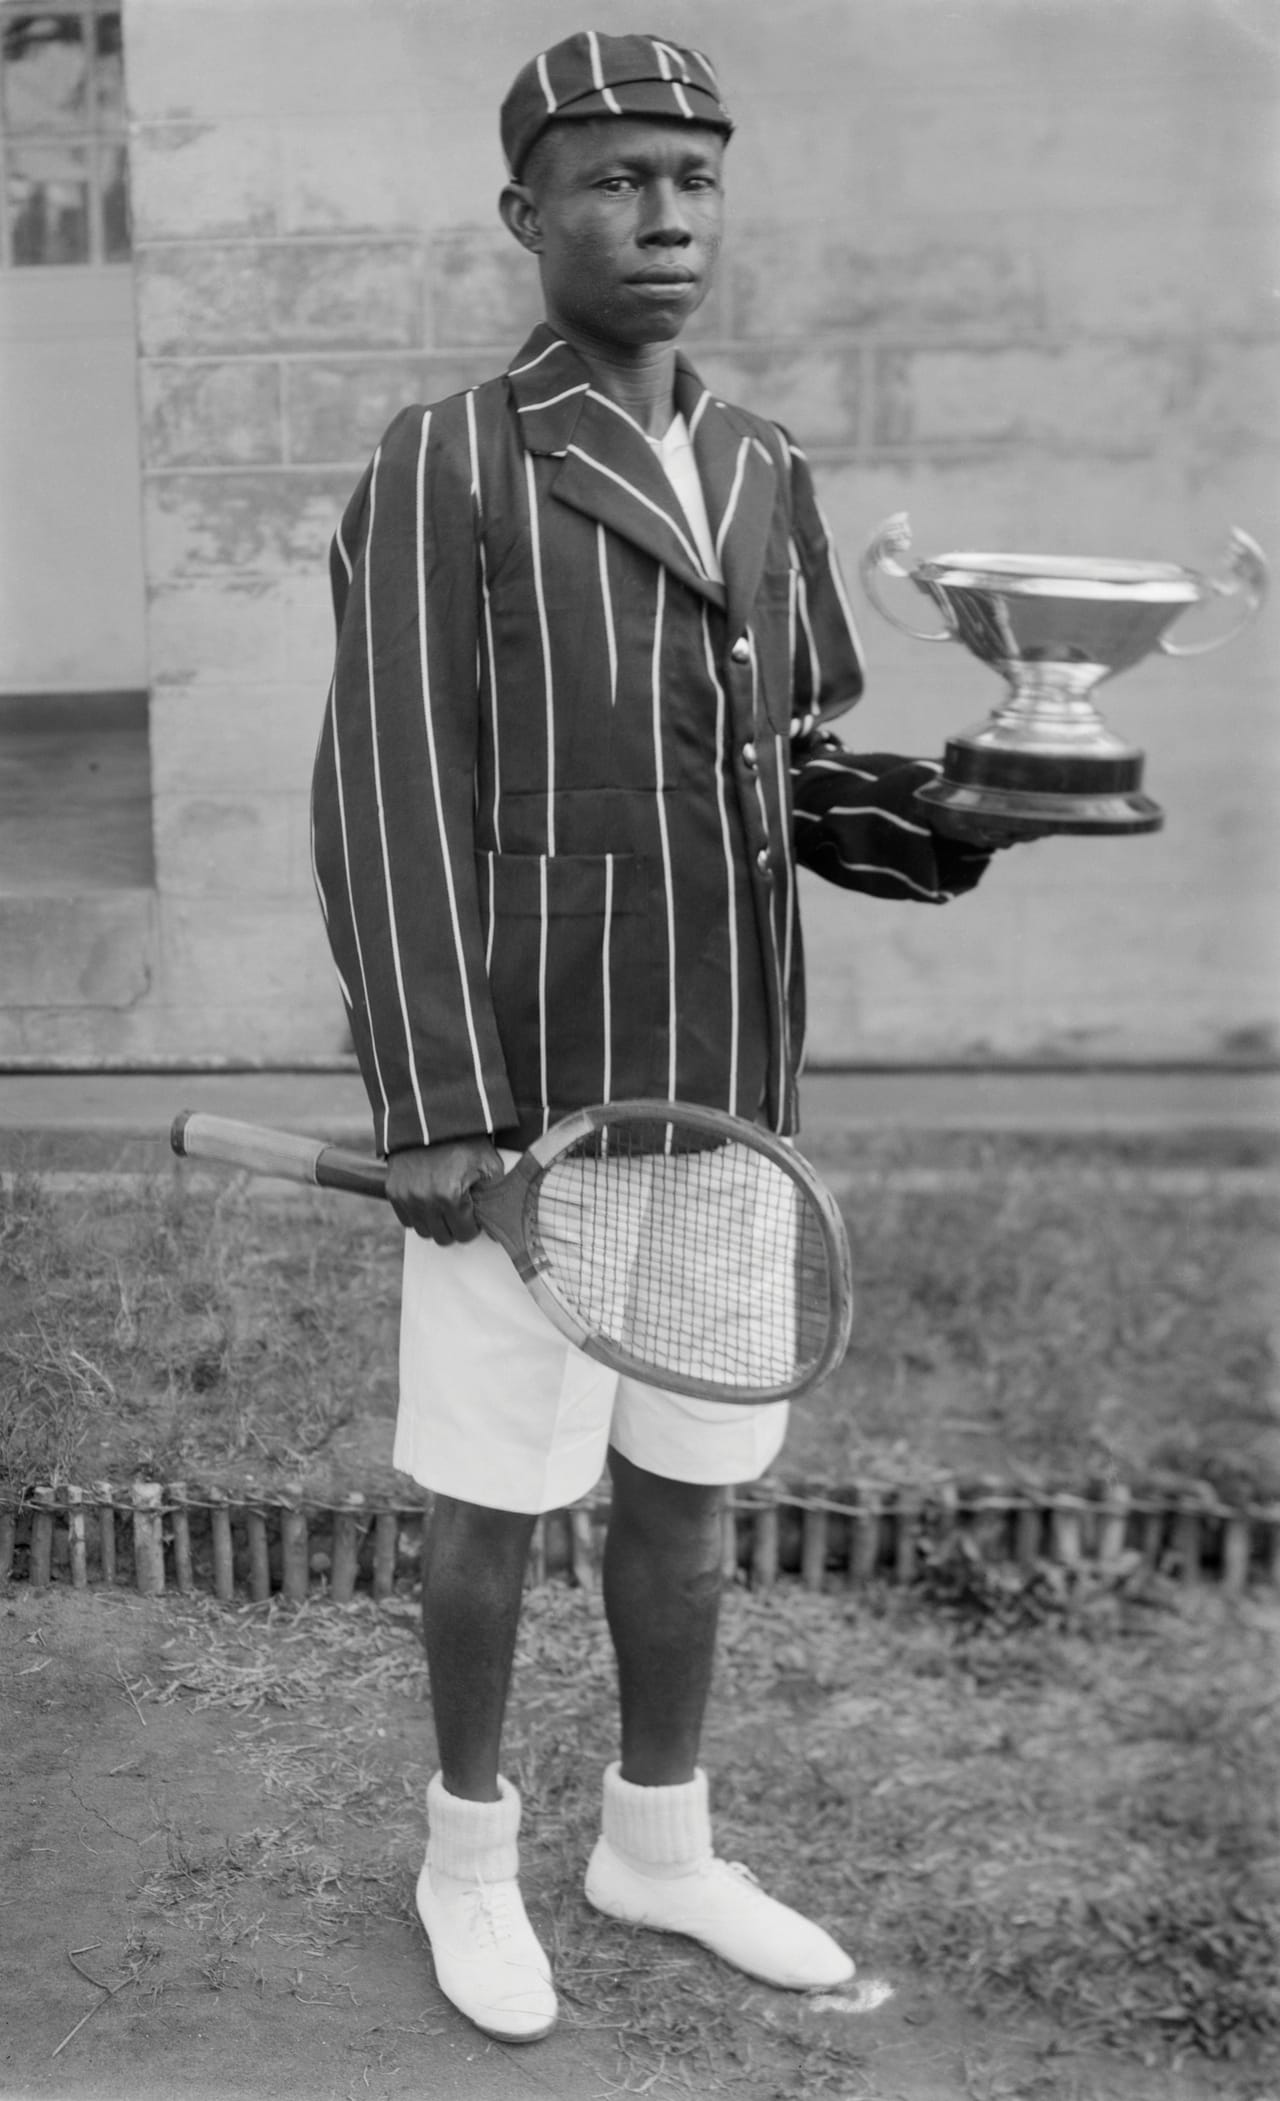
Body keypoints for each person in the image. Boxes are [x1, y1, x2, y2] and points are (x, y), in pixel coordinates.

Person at [311, 30, 1003, 2046]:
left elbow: (777, 771)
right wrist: (439, 1108)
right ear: (524, 213)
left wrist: (950, 815)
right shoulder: (445, 458)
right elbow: (390, 800)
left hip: (723, 1095)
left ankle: (660, 1842)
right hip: (529, 1110)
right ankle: (466, 1852)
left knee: (690, 1486)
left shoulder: (766, 463)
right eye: (612, 178)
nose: (663, 213)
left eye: (693, 176)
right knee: (491, 1502)